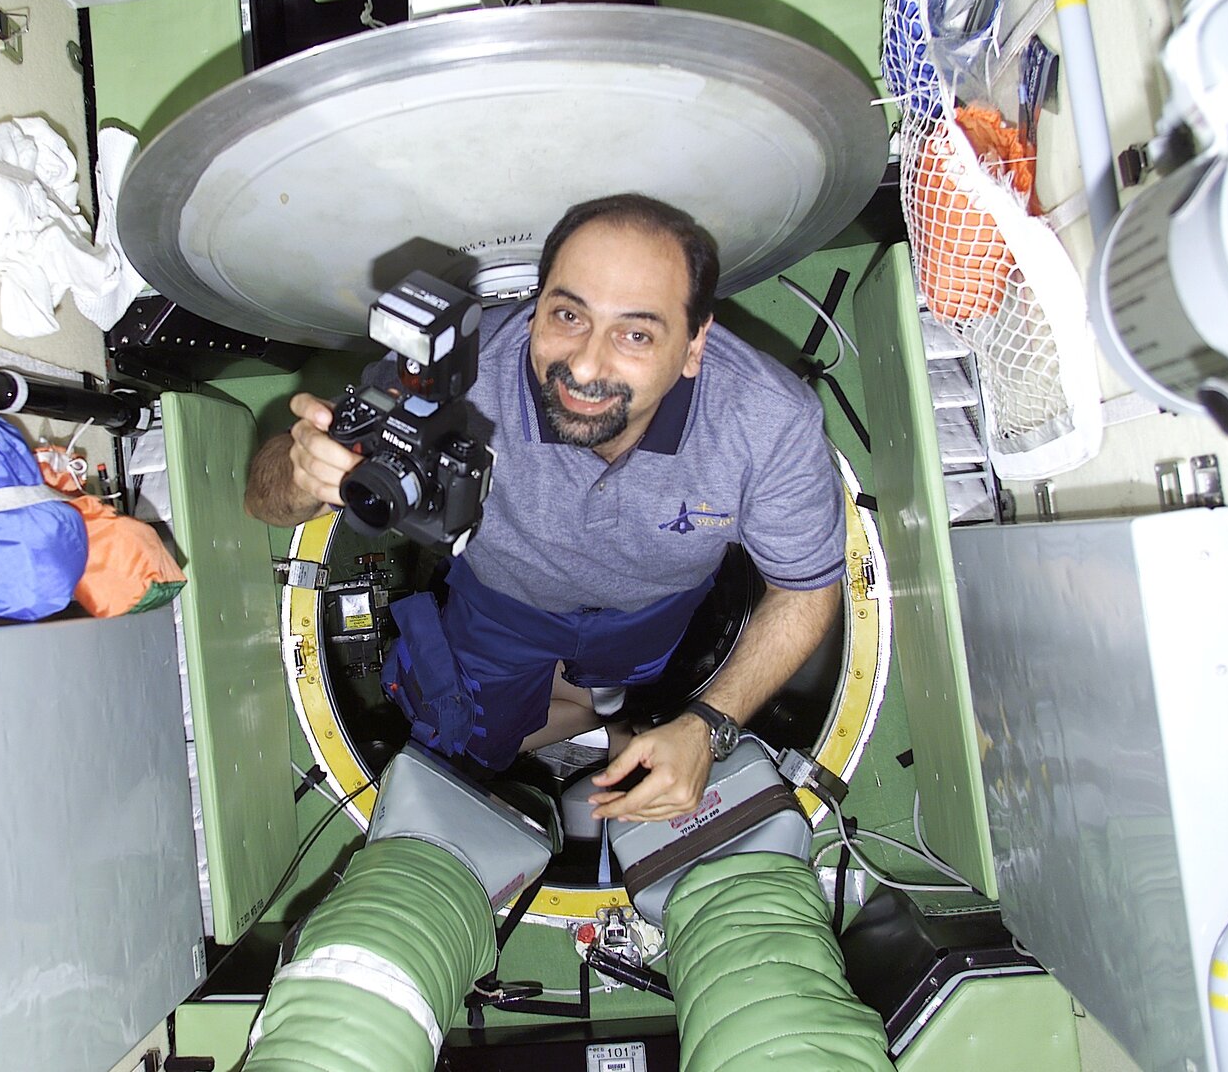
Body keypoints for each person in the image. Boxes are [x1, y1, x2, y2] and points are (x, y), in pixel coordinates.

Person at [246, 195, 843, 825]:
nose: (585, 365)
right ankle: (588, 721)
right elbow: (264, 501)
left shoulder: (769, 422)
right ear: (536, 306)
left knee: (616, 684)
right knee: (465, 733)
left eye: (636, 333)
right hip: (500, 606)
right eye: (567, 315)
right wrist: (305, 468)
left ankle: (604, 712)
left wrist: (706, 724)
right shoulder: (457, 376)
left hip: (652, 614)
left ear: (695, 344)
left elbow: (805, 589)